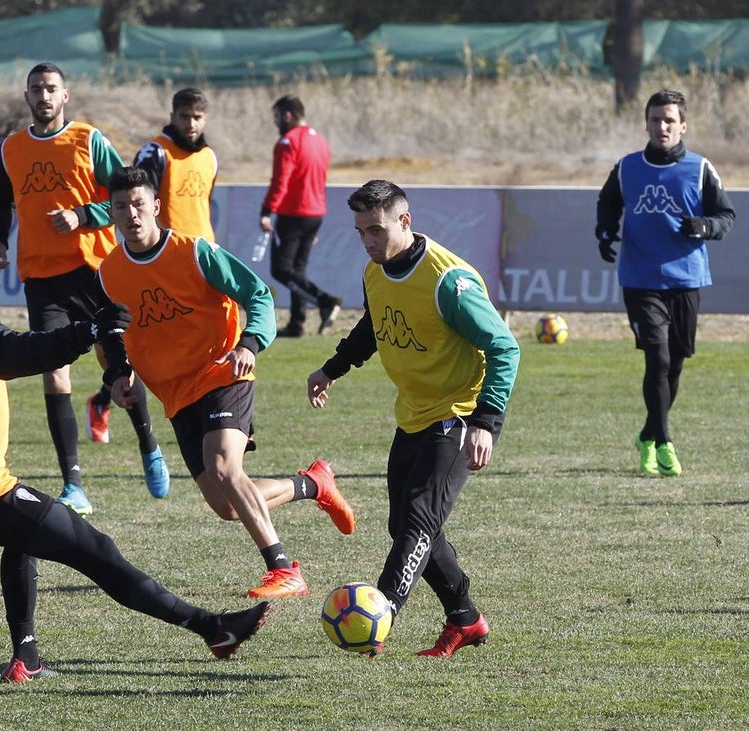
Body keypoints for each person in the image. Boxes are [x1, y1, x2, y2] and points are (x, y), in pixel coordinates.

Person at [0, 242, 270, 682]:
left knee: (23, 539)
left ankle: (24, 659)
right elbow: (26, 352)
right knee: (96, 550)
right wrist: (89, 331)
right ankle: (212, 628)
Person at [98, 167, 356, 600]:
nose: (132, 214)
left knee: (224, 467)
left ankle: (284, 568)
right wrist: (116, 375)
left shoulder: (194, 252)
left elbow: (257, 294)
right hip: (176, 395)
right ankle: (313, 484)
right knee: (226, 507)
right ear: (111, 212)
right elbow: (108, 334)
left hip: (222, 372)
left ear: (156, 206)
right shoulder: (108, 274)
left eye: (140, 204)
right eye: (121, 207)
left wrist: (250, 345)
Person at [306, 180, 519, 657]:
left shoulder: (449, 282)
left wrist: (486, 422)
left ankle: (379, 615)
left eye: (376, 230)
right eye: (361, 232)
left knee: (417, 524)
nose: (368, 241)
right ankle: (465, 618)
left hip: (457, 415)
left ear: (405, 220)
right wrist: (331, 369)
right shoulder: (376, 271)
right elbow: (374, 326)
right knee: (407, 524)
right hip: (413, 416)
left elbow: (504, 346)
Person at [0, 62, 169, 513]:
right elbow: (0, 199)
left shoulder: (88, 140)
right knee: (53, 369)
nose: (43, 96)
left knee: (116, 360)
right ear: (26, 96)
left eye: (51, 89)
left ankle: (148, 444)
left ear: (65, 95)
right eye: (36, 89)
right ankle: (74, 484)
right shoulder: (11, 149)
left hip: (93, 270)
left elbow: (124, 194)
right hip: (41, 278)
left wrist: (83, 216)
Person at [595, 88, 735, 478]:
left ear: (683, 126)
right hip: (640, 279)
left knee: (675, 362)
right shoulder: (627, 167)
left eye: (669, 120)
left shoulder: (700, 168)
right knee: (656, 358)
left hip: (687, 278)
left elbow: (725, 215)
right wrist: (606, 231)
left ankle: (648, 433)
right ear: (647, 123)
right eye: (656, 119)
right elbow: (608, 203)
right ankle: (665, 441)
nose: (662, 126)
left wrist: (705, 225)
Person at [259, 95, 340, 338]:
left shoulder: (287, 142)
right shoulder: (320, 141)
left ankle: (325, 301)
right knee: (297, 271)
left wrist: (267, 211)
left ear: (287, 115)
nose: (276, 124)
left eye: (276, 118)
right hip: (315, 212)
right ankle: (297, 323)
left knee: (282, 270)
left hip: (293, 213)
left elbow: (280, 181)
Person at [134, 87, 217, 241]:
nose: (191, 124)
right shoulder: (154, 152)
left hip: (203, 247)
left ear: (205, 118)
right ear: (173, 117)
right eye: (184, 117)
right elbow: (139, 205)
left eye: (197, 117)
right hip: (167, 247)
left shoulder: (209, 156)